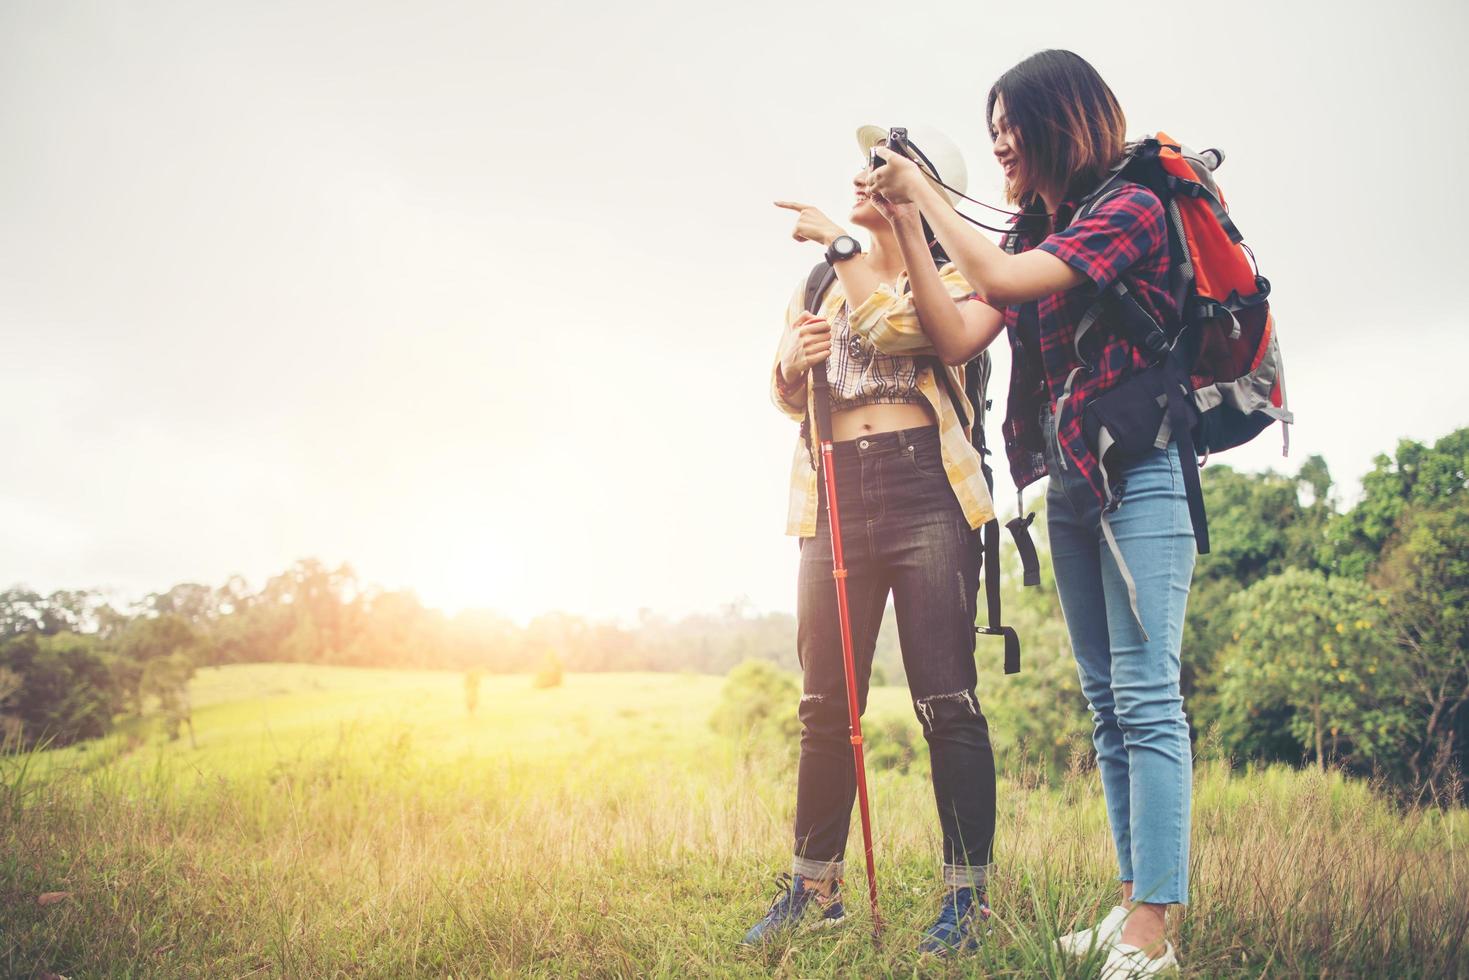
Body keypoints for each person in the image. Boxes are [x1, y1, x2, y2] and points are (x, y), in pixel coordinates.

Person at [868, 50, 1194, 978]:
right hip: (1076, 482)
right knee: (1104, 701)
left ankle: (1153, 931)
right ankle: (1133, 901)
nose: (999, 140)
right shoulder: (1037, 223)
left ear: (1061, 117)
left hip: (1144, 476)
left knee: (1146, 698)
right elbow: (959, 327)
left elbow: (1005, 283)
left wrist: (926, 193)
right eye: (992, 125)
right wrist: (903, 213)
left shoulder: (1133, 204)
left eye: (1010, 122)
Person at [740, 126, 1001, 956]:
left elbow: (898, 332)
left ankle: (966, 900)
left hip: (926, 485)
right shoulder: (820, 275)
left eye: (882, 171)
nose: (862, 177)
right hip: (833, 491)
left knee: (946, 702)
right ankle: (813, 887)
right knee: (824, 705)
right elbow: (788, 392)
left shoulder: (955, 274)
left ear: (919, 197)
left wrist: (843, 239)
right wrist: (788, 360)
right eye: (865, 168)